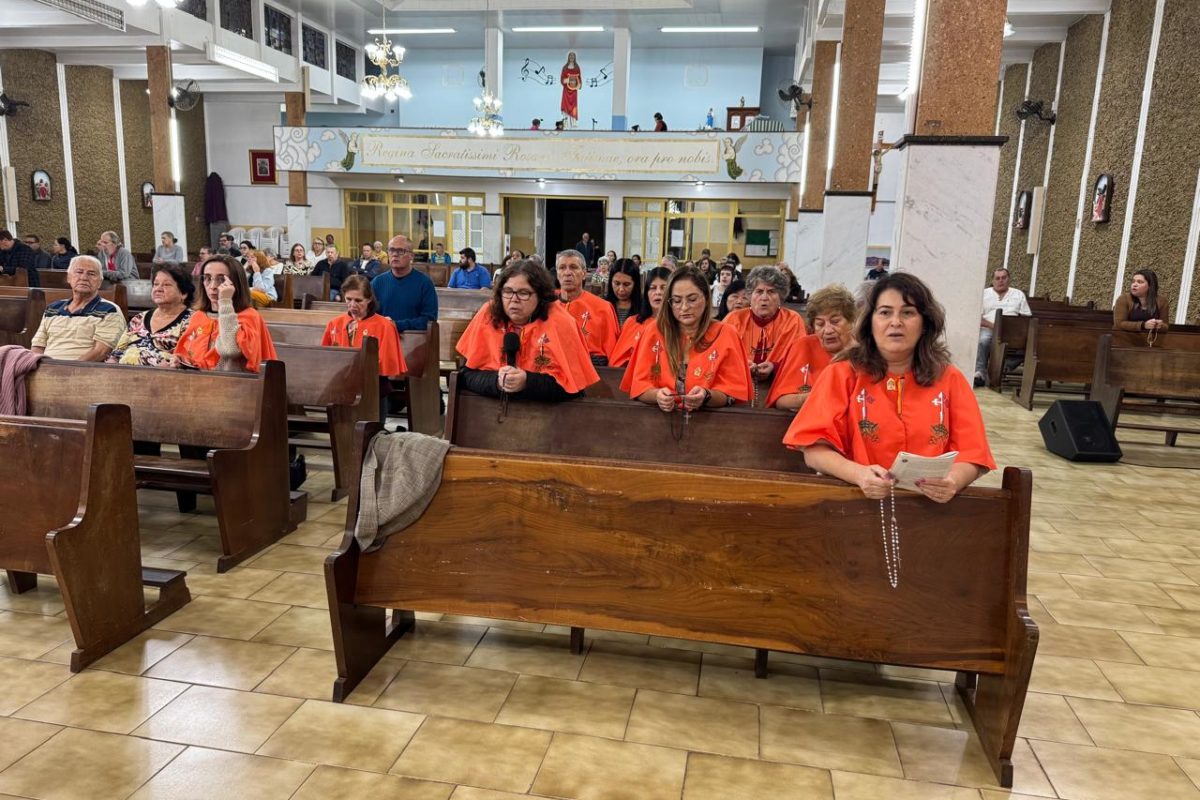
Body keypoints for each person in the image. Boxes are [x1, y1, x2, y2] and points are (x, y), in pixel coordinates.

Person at [783, 273, 995, 503]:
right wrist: (859, 474)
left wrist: (953, 480)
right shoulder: (842, 374)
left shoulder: (949, 378)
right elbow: (814, 451)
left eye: (908, 313)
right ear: (869, 323)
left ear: (925, 323)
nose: (896, 322)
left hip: (931, 507)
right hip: (855, 502)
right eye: (885, 313)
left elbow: (973, 453)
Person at [457, 259, 599, 400]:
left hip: (546, 412)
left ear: (540, 295)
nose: (514, 299)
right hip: (492, 409)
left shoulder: (561, 323)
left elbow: (575, 389)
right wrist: (496, 382)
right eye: (507, 291)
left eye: (523, 293)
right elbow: (466, 376)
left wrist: (527, 382)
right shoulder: (488, 316)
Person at [626, 266, 751, 411]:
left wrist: (706, 396)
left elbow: (732, 394)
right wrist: (657, 396)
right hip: (659, 419)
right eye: (676, 301)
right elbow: (638, 387)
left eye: (692, 299)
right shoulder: (654, 331)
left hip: (711, 420)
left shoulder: (726, 333)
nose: (684, 307)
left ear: (706, 297)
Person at [176, 255, 277, 372]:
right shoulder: (199, 316)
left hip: (234, 381)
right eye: (208, 278)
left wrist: (225, 302)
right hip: (199, 381)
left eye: (221, 279)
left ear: (236, 283)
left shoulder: (250, 316)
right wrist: (180, 361)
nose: (213, 286)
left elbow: (229, 350)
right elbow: (190, 354)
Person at [722, 266, 808, 398]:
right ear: (750, 296)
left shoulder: (793, 320)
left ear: (781, 297)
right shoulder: (733, 319)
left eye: (771, 292)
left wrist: (774, 367)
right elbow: (720, 357)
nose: (764, 297)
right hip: (736, 389)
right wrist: (741, 366)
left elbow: (799, 360)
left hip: (781, 389)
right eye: (759, 291)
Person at [767, 284, 856, 410]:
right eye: (820, 324)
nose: (828, 330)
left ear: (851, 322)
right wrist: (815, 396)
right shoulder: (803, 346)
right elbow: (781, 401)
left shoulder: (866, 351)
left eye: (835, 322)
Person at [30, 256, 125, 360]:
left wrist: (68, 368)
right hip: (46, 366)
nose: (84, 278)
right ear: (69, 278)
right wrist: (37, 365)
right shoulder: (52, 309)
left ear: (100, 282)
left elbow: (101, 352)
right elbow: (38, 347)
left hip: (82, 368)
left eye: (91, 274)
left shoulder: (110, 311)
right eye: (79, 272)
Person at [321, 274, 408, 379]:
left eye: (358, 300)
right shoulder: (334, 324)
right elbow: (324, 359)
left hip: (374, 381)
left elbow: (387, 365)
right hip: (340, 381)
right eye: (348, 299)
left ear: (369, 299)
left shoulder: (385, 326)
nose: (352, 305)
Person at [107, 263, 194, 366]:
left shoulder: (192, 321)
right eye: (156, 284)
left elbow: (188, 360)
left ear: (184, 293)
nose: (158, 289)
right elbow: (116, 354)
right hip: (122, 373)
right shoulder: (139, 319)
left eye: (166, 285)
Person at [557, 248, 618, 365]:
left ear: (584, 274)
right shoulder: (548, 309)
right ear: (557, 274)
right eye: (562, 268)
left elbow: (612, 354)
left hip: (595, 370)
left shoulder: (603, 308)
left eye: (573, 267)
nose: (567, 272)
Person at [974, 266, 1032, 387]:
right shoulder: (984, 294)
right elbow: (976, 317)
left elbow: (1027, 317)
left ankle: (1005, 366)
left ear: (1008, 279)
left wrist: (1015, 329)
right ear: (993, 280)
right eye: (997, 278)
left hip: (1012, 331)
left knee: (1029, 343)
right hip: (989, 328)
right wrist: (995, 326)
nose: (1001, 281)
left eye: (1004, 278)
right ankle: (980, 373)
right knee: (983, 341)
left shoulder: (1018, 294)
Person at [372, 234, 438, 331]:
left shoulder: (425, 283)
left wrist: (397, 325)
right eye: (391, 250)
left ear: (411, 256)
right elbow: (369, 315)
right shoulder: (377, 282)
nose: (395, 254)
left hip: (414, 338)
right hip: (383, 336)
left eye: (400, 251)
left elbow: (429, 320)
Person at [612, 266, 668, 370]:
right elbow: (616, 363)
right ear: (646, 293)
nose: (658, 292)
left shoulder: (679, 325)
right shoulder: (632, 322)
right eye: (653, 288)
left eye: (663, 288)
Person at [1114, 268, 1170, 338]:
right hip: (1124, 338)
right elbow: (1119, 324)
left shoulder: (1162, 301)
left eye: (1140, 282)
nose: (1134, 285)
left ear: (1150, 286)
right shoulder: (1124, 299)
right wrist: (1143, 325)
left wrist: (1158, 325)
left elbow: (1166, 327)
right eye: (1133, 281)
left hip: (1151, 340)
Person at [605, 258, 642, 328]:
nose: (621, 289)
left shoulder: (644, 307)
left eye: (626, 284)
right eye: (617, 283)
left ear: (635, 284)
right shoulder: (603, 305)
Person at [560, 52, 581, 126]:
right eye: (570, 56)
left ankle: (573, 123)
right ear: (568, 57)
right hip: (566, 90)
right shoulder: (565, 68)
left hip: (574, 91)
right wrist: (567, 80)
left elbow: (579, 79)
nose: (571, 57)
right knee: (565, 105)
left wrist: (578, 85)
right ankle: (565, 123)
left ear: (575, 57)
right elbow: (562, 79)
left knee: (574, 106)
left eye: (573, 56)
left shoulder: (577, 67)